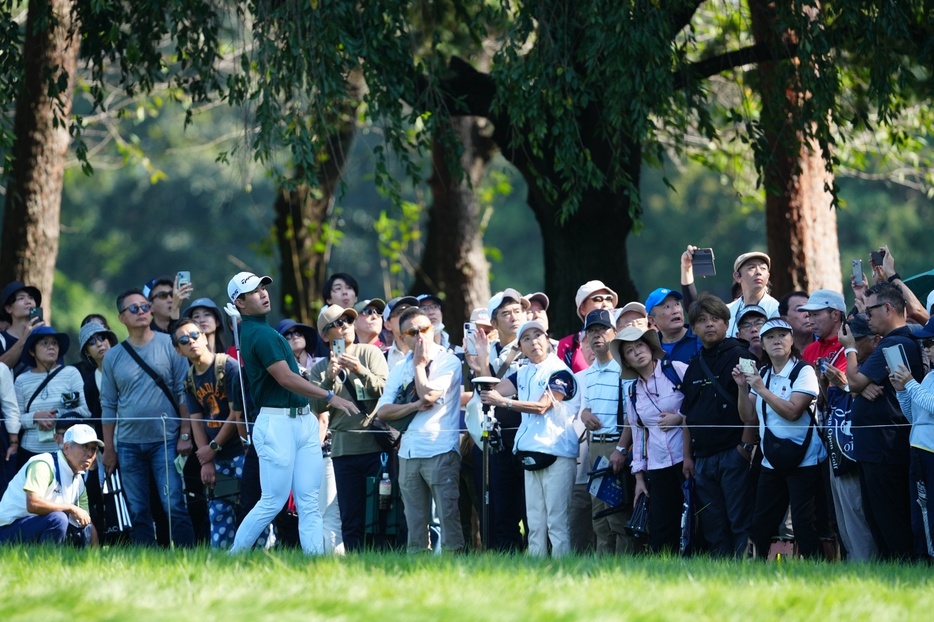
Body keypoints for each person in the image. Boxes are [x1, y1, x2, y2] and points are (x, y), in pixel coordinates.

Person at [226, 272, 358, 555]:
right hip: (277, 423)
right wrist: (330, 396)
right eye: (254, 292)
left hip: (300, 421)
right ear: (240, 303)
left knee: (309, 500)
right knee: (272, 501)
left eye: (263, 288)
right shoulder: (260, 333)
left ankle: (313, 560)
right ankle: (234, 555)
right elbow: (285, 378)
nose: (263, 293)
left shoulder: (264, 330)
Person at [100, 288, 195, 547]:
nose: (142, 312)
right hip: (128, 444)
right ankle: (145, 559)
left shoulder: (170, 345)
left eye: (145, 307)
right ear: (121, 318)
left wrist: (185, 434)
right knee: (138, 509)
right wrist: (110, 448)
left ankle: (190, 556)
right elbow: (108, 405)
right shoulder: (113, 357)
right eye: (134, 308)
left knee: (174, 503)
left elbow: (183, 393)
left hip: (166, 439)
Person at [838, 282, 924, 560]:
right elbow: (860, 383)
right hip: (880, 446)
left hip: (885, 447)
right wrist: (862, 385)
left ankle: (902, 570)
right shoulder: (906, 338)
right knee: (881, 516)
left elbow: (853, 381)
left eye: (870, 310)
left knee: (890, 519)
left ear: (888, 308)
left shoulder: (896, 341)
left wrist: (850, 349)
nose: (866, 316)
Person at [480, 320, 578, 557]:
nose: (534, 341)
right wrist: (481, 361)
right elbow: (490, 390)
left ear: (547, 340)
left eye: (538, 335)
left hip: (557, 453)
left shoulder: (560, 372)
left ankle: (563, 574)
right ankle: (536, 575)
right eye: (526, 338)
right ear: (520, 348)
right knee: (534, 522)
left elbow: (543, 406)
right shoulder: (523, 373)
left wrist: (505, 403)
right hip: (530, 450)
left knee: (556, 522)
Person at [374, 307, 464, 553]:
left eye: (424, 329)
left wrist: (419, 366)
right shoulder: (399, 367)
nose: (420, 336)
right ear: (402, 337)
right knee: (414, 521)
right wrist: (413, 405)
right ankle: (416, 569)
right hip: (408, 453)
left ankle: (454, 566)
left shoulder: (449, 361)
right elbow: (382, 412)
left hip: (440, 450)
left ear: (432, 328)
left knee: (447, 516)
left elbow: (430, 395)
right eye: (412, 332)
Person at [733, 318, 825, 558]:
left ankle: (816, 572)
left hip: (804, 459)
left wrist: (762, 389)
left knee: (804, 523)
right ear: (762, 344)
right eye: (770, 337)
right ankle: (756, 572)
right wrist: (743, 388)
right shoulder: (762, 373)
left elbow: (794, 412)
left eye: (782, 335)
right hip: (771, 460)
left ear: (792, 339)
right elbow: (748, 416)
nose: (777, 341)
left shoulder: (803, 370)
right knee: (761, 522)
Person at [798, 293, 878, 561]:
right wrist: (823, 384)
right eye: (807, 314)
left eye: (816, 314)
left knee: (856, 508)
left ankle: (865, 566)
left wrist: (840, 381)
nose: (810, 320)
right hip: (826, 439)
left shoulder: (851, 341)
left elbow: (852, 388)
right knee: (839, 514)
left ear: (835, 314)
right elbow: (823, 400)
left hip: (851, 440)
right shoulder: (810, 350)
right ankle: (853, 564)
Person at [680, 293, 757, 557]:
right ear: (693, 329)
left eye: (715, 318)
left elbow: (753, 404)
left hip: (733, 453)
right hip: (701, 459)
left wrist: (745, 448)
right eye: (702, 320)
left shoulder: (742, 355)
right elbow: (687, 416)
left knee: (740, 519)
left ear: (726, 323)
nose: (709, 324)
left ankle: (745, 568)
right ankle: (718, 572)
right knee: (712, 523)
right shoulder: (693, 366)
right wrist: (687, 457)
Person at [307, 304, 388, 552]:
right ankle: (355, 563)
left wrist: (359, 370)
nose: (345, 327)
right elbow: (317, 406)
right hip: (344, 451)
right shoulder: (320, 368)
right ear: (324, 336)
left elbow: (384, 390)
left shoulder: (370, 353)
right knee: (351, 517)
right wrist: (330, 379)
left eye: (348, 321)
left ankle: (384, 560)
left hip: (376, 446)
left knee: (381, 510)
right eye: (338, 324)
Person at [611, 324, 688, 553]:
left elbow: (699, 405)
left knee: (696, 515)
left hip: (687, 457)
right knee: (662, 525)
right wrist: (640, 476)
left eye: (640, 345)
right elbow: (638, 433)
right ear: (626, 361)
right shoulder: (633, 391)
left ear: (651, 347)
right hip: (658, 464)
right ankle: (664, 570)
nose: (637, 352)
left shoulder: (676, 369)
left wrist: (679, 418)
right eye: (629, 350)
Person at [467, 288, 531, 551]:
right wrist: (482, 361)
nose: (514, 317)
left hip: (529, 437)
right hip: (498, 442)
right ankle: (507, 563)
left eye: (518, 311)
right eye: (506, 313)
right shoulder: (486, 352)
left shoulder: (540, 345)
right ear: (493, 323)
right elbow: (485, 394)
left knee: (533, 510)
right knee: (502, 511)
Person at [173, 319, 245, 549]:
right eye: (184, 340)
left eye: (195, 335)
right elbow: (196, 422)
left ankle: (262, 555)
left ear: (204, 337)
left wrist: (211, 449)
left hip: (240, 450)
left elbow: (236, 415)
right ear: (178, 349)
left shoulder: (228, 366)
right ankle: (222, 563)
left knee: (252, 507)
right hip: (217, 457)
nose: (191, 342)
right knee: (219, 512)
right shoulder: (190, 379)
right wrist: (206, 461)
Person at [577, 309, 630, 553]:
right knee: (599, 512)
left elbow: (632, 415)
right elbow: (585, 408)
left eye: (602, 330)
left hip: (616, 445)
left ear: (614, 333)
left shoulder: (623, 370)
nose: (597, 336)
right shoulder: (588, 375)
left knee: (616, 512)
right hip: (595, 445)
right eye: (592, 331)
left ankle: (625, 568)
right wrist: (584, 415)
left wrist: (622, 447)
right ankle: (602, 568)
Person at [0, 424, 102, 546]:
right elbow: (33, 504)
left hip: (32, 528)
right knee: (58, 519)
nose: (90, 454)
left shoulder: (78, 481)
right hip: (6, 530)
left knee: (81, 530)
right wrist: (71, 507)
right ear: (66, 447)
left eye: (93, 449)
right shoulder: (43, 464)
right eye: (85, 447)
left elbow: (87, 523)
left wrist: (95, 558)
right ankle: (46, 561)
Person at [8, 326, 90, 468]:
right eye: (44, 343)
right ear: (32, 351)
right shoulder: (21, 380)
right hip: (30, 452)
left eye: (54, 343)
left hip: (66, 450)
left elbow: (86, 410)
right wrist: (35, 417)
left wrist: (59, 415)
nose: (51, 347)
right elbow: (16, 418)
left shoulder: (71, 373)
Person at [892, 316, 934, 559]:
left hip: (930, 453)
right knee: (921, 511)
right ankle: (923, 559)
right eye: (924, 345)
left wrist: (910, 384)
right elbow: (914, 417)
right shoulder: (929, 377)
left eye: (929, 343)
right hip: (918, 449)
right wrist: (902, 391)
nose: (925, 350)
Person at [680, 247, 779, 337]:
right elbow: (694, 311)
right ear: (737, 277)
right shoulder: (728, 311)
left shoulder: (776, 309)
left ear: (768, 277)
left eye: (763, 268)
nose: (758, 272)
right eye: (751, 267)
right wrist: (686, 268)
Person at [558, 280, 617, 372]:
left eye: (609, 299)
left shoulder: (624, 337)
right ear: (582, 309)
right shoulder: (568, 345)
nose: (605, 304)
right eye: (597, 299)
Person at [644, 287, 701, 364]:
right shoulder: (650, 348)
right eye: (667, 307)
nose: (676, 311)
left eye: (677, 304)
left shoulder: (700, 336)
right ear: (652, 320)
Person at [0, 280, 45, 368]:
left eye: (31, 298)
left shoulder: (45, 337)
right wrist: (24, 339)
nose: (28, 301)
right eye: (21, 298)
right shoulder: (2, 339)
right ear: (8, 308)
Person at [383, 296, 419, 369]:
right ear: (388, 325)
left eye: (411, 310)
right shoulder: (382, 358)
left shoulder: (432, 350)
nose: (407, 314)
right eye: (399, 311)